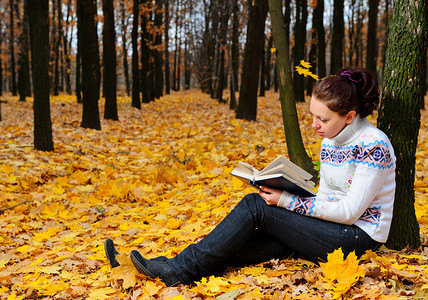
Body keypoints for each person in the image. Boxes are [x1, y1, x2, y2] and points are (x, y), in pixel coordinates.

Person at [105, 67, 396, 287]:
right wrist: (290, 190)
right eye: (312, 115)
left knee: (255, 207)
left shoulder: (374, 145)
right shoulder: (330, 140)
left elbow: (348, 212)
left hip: (357, 238)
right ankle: (151, 267)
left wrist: (287, 201)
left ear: (349, 116)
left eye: (323, 119)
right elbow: (329, 195)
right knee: (244, 235)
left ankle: (177, 270)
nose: (314, 125)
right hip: (328, 227)